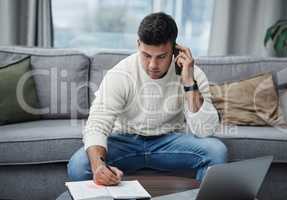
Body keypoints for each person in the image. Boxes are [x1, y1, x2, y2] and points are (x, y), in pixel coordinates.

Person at [67, 12, 227, 186]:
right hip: (125, 140)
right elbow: (96, 124)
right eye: (146, 55)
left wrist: (189, 82)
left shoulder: (193, 74)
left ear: (174, 50)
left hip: (169, 142)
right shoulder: (120, 74)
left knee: (216, 151)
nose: (152, 65)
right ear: (138, 45)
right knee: (79, 166)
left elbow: (205, 131)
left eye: (161, 57)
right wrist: (99, 167)